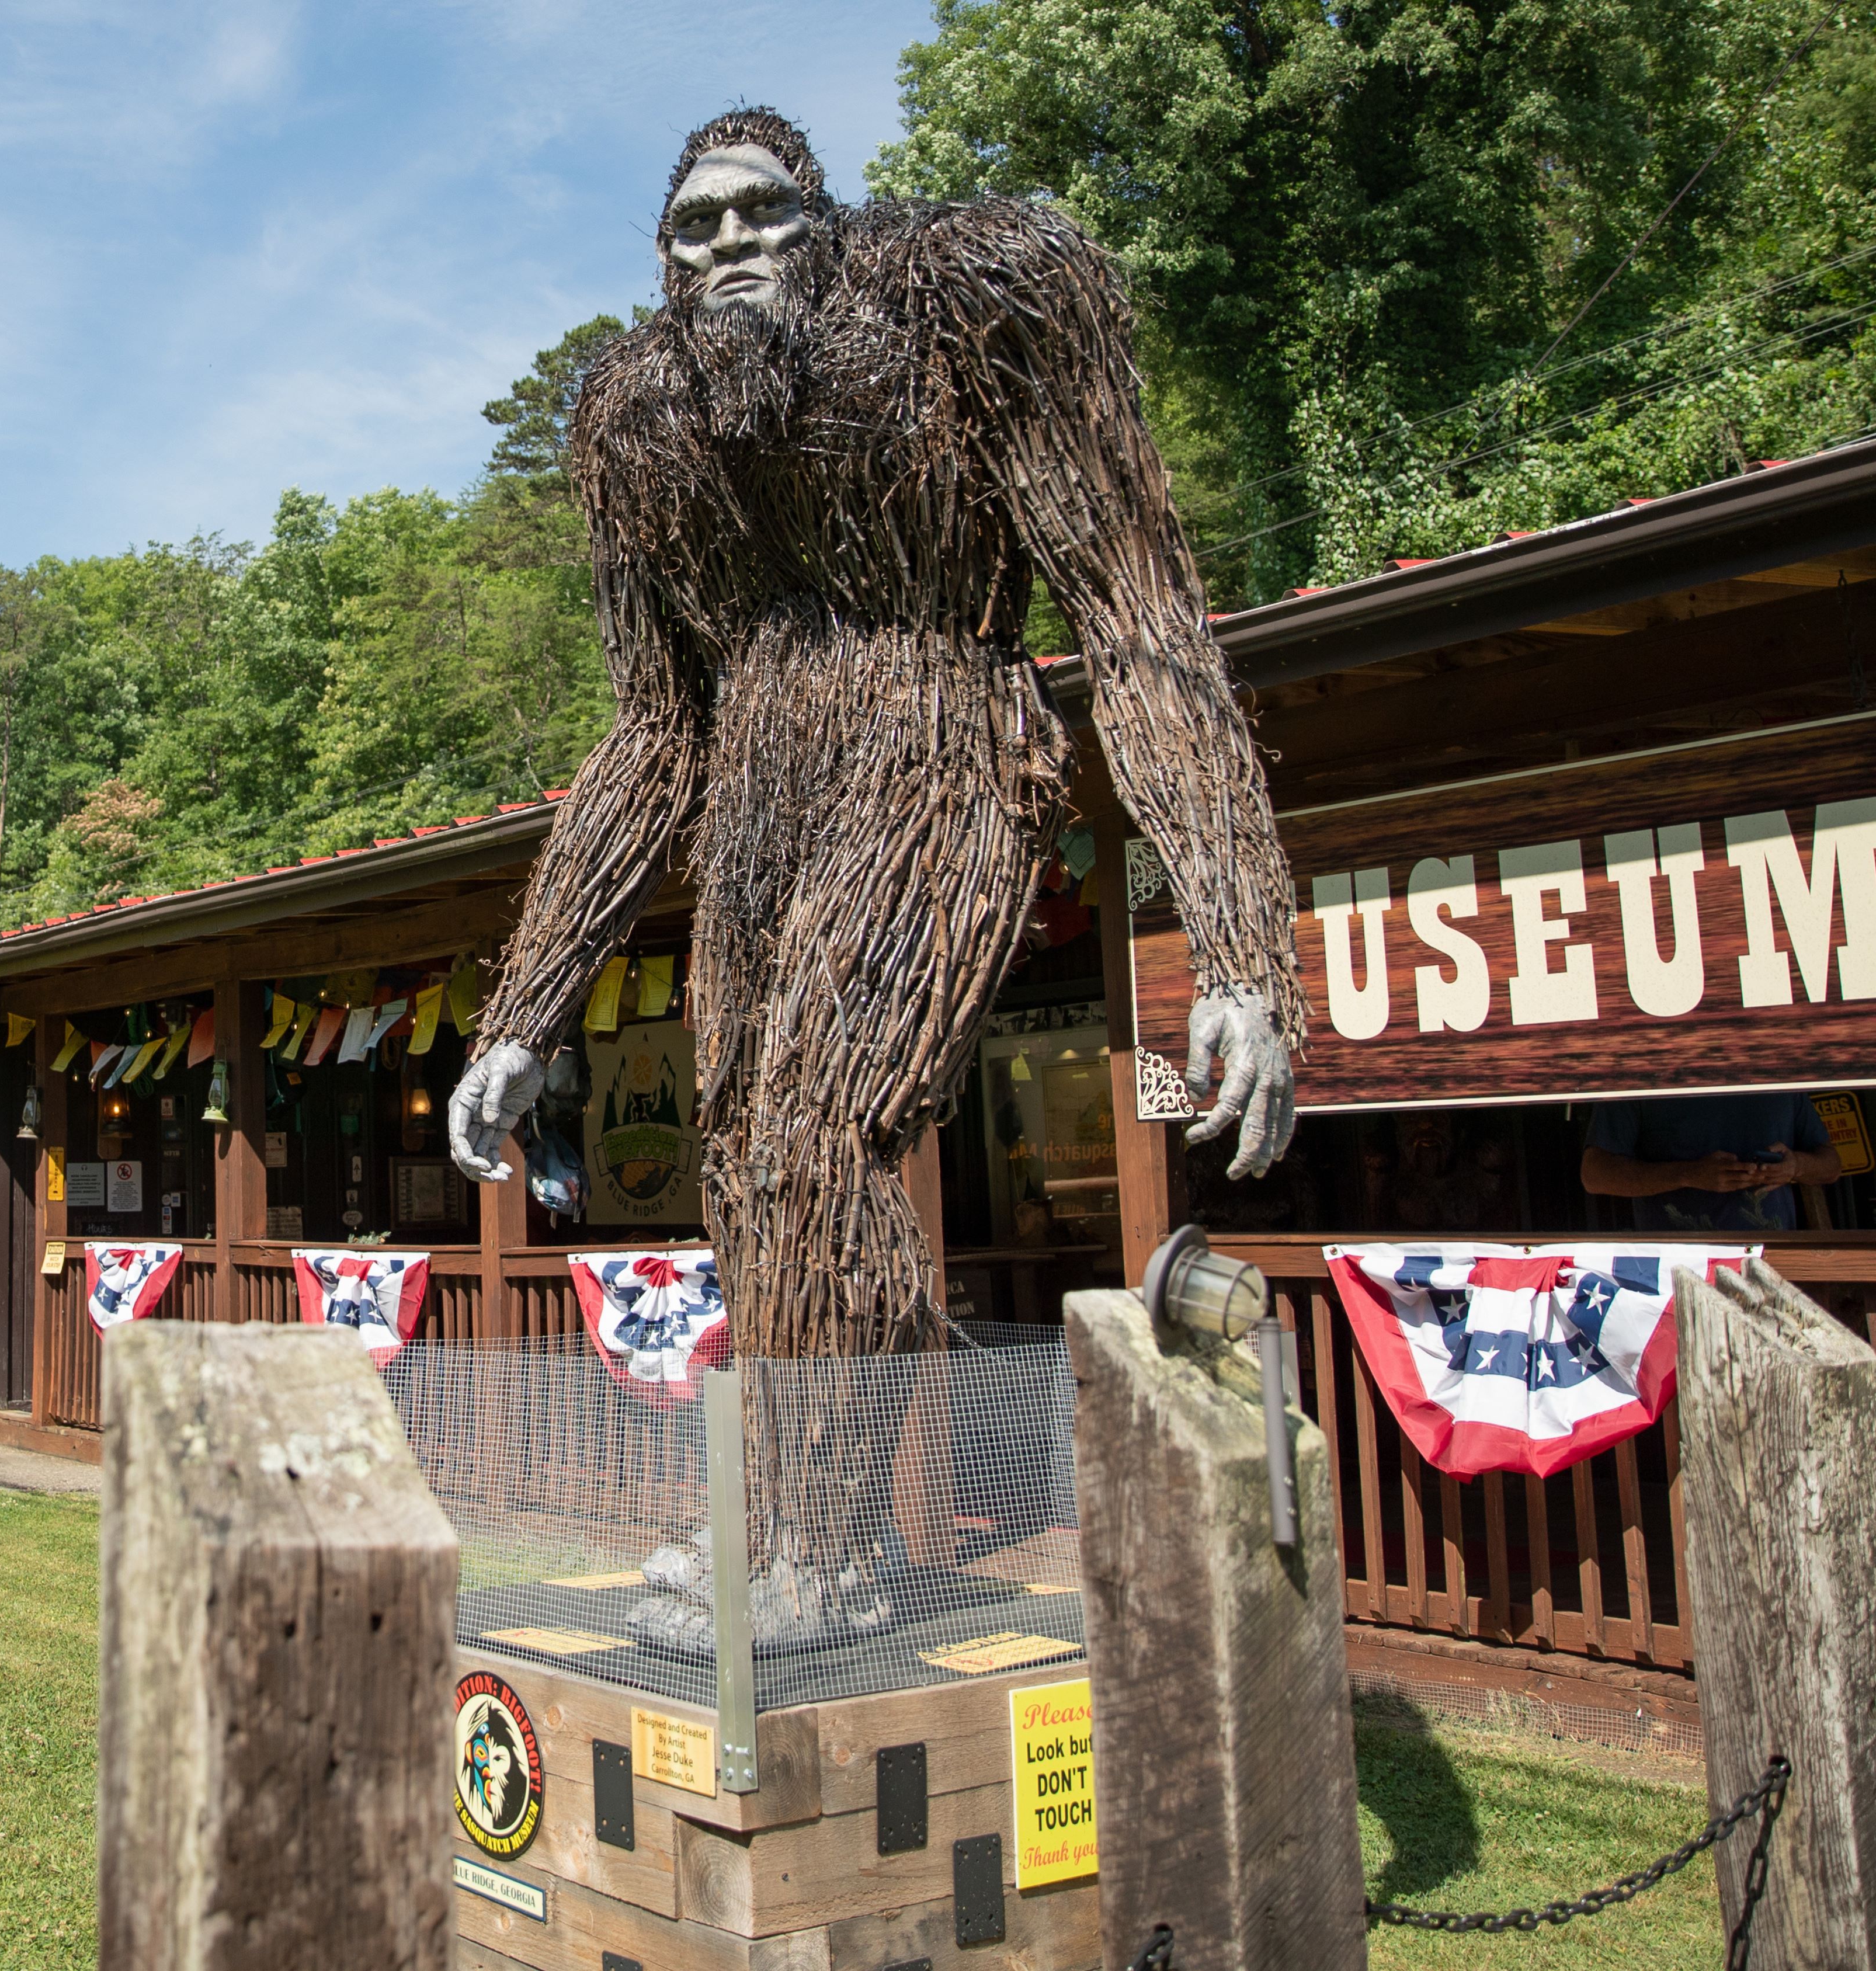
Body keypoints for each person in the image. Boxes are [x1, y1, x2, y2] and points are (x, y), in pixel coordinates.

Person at [444, 107, 1304, 1364]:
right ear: (664, 257)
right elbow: (651, 731)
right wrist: (526, 1016)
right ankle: (820, 1514)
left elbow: (1136, 620)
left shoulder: (962, 295)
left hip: (940, 741)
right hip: (753, 800)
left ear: (824, 219)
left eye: (764, 211)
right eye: (697, 224)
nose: (732, 240)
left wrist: (1235, 953)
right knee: (740, 1163)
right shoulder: (636, 417)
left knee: (812, 1138)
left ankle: (812, 1549)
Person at [1581, 1093, 1842, 1233]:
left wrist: (1795, 1167)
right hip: (1679, 1271)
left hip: (1773, 1264)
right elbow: (1595, 1174)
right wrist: (1688, 1174)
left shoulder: (1777, 1076)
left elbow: (1831, 1165)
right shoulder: (1642, 1076)